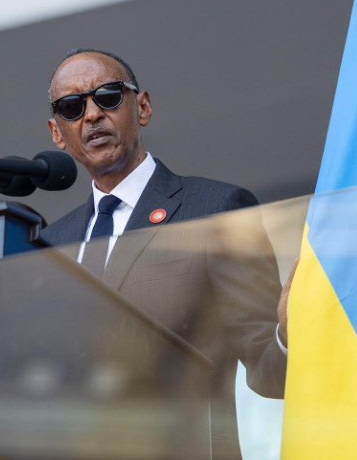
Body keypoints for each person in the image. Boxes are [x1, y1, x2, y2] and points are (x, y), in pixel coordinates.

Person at [38, 48, 289, 458]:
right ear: (56, 133)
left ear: (143, 107)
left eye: (108, 96)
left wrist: (288, 334)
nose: (91, 115)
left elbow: (270, 372)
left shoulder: (212, 209)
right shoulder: (48, 245)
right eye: (72, 106)